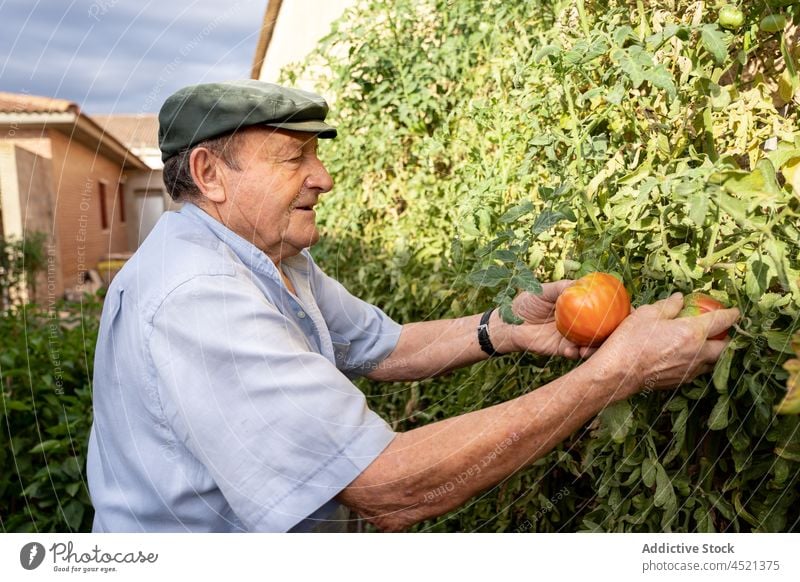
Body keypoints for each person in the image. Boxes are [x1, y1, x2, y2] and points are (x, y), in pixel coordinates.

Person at [86, 80, 739, 533]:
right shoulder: (199, 300)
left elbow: (384, 345)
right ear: (209, 174)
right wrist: (615, 372)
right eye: (295, 157)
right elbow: (389, 488)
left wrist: (506, 330)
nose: (324, 177)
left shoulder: (273, 259)